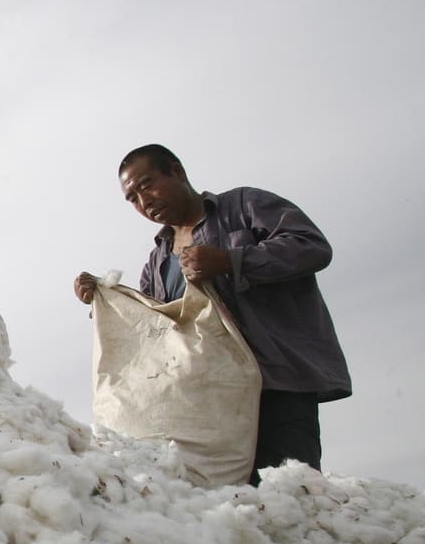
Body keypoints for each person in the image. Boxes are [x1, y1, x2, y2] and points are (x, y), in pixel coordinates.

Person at [74, 144, 351, 486]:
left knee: (289, 496)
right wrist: (105, 300)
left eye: (147, 185)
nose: (143, 202)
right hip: (211, 401)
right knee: (226, 508)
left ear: (176, 170)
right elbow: (154, 325)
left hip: (275, 385)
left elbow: (310, 246)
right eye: (132, 198)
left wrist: (230, 261)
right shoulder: (158, 261)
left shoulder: (244, 207)